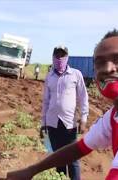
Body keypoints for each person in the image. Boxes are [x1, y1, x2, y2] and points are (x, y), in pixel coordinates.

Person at [7, 30, 118, 180]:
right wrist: (31, 171)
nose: (107, 68)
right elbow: (80, 148)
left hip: (69, 121)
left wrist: (83, 117)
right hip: (54, 121)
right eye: (100, 62)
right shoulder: (115, 115)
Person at [39, 45, 89, 180]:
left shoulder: (76, 74)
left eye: (62, 55)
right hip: (52, 123)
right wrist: (43, 123)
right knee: (58, 158)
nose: (59, 58)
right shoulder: (49, 76)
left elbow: (83, 97)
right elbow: (46, 101)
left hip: (69, 123)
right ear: (53, 57)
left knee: (73, 159)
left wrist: (83, 119)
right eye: (57, 55)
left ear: (67, 57)